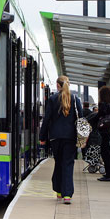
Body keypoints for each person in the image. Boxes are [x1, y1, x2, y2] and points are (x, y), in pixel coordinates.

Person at [39, 75, 81, 205]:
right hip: (71, 137)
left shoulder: (52, 99)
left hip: (55, 137)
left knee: (58, 163)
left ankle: (59, 191)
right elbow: (81, 118)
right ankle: (67, 195)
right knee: (68, 164)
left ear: (58, 85)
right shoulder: (75, 99)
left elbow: (47, 120)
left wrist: (42, 137)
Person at [97, 86, 110, 182]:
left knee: (105, 152)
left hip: (104, 130)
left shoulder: (103, 104)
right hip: (108, 129)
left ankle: (109, 174)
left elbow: (100, 114)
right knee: (107, 151)